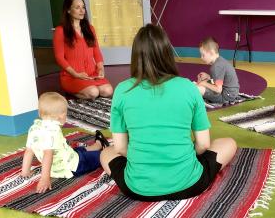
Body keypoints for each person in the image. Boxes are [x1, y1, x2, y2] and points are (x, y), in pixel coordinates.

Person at [100, 25, 237, 201]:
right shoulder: (189, 87)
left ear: (136, 56)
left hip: (137, 188)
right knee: (228, 143)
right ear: (167, 53)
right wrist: (178, 156)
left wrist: (144, 157)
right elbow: (203, 145)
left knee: (106, 152)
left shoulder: (122, 90)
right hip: (190, 184)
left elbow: (120, 148)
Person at [21, 92, 110, 193]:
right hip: (72, 166)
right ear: (61, 116)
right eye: (66, 114)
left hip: (60, 162)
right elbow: (48, 154)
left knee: (76, 150)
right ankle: (103, 149)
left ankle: (97, 145)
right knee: (102, 156)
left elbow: (29, 151)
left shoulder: (34, 127)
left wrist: (25, 172)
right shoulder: (53, 131)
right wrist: (44, 178)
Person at [53, 0, 113, 100]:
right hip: (72, 76)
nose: (82, 11)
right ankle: (73, 92)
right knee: (94, 92)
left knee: (108, 91)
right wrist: (75, 74)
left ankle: (87, 89)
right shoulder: (60, 30)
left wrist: (100, 68)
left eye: (83, 7)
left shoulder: (90, 28)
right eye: (77, 7)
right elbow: (59, 58)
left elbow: (96, 51)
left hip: (91, 74)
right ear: (68, 10)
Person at [196, 37, 240, 106]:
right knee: (203, 83)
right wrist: (208, 76)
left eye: (203, 55)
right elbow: (220, 79)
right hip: (231, 93)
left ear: (211, 53)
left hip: (226, 96)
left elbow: (218, 89)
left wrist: (204, 83)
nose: (201, 57)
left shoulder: (216, 67)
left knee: (197, 89)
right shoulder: (220, 61)